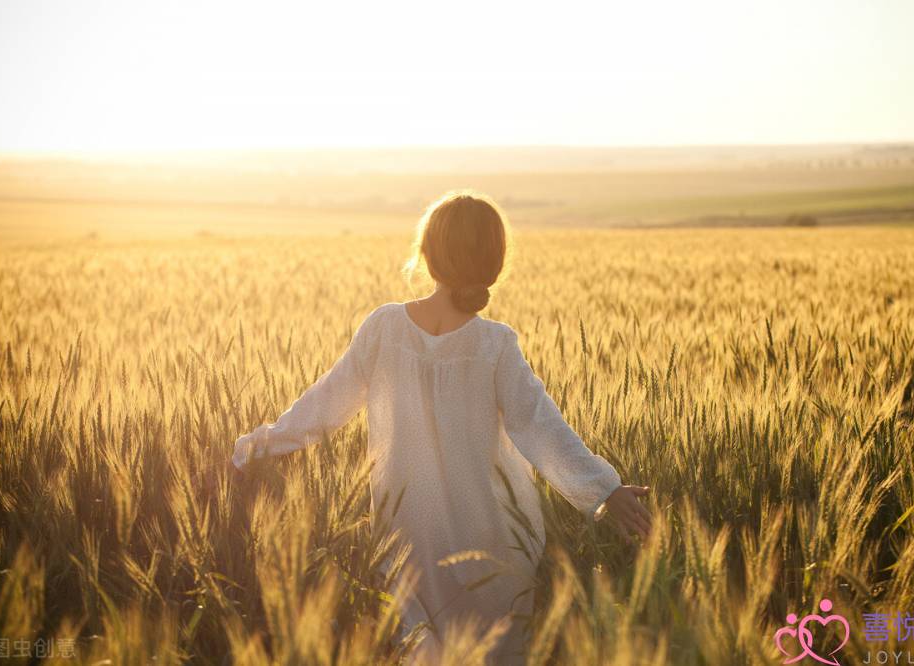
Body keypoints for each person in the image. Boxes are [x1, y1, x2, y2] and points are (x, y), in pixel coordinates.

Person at [230, 189, 651, 664]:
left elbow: (323, 406)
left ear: (427, 256)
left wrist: (252, 449)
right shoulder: (494, 344)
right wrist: (603, 492)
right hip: (494, 543)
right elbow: (540, 428)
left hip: (408, 540)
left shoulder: (384, 328)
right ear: (494, 264)